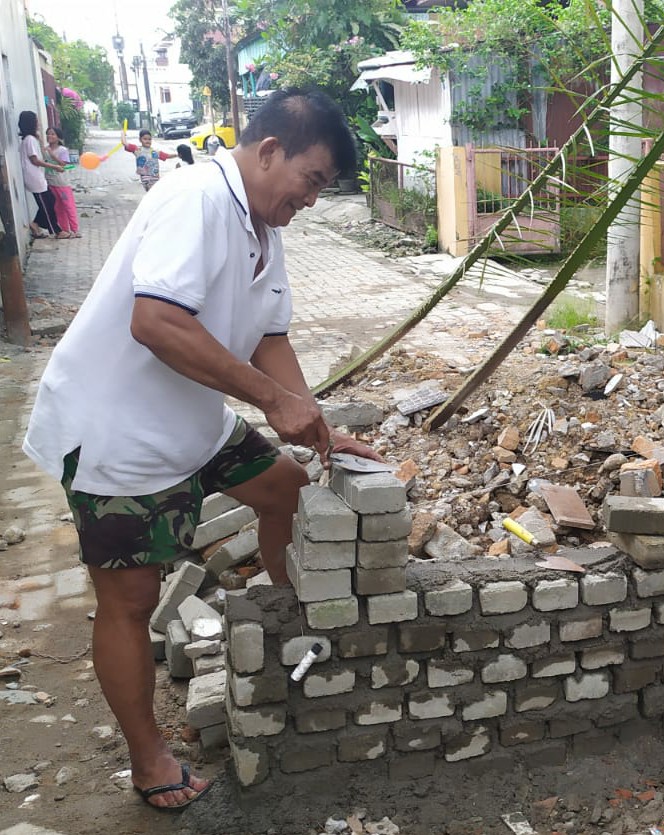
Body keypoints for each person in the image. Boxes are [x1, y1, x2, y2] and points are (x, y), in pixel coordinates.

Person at [22, 89, 373, 812]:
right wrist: (270, 402)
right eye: (311, 179)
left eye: (323, 188)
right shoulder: (196, 199)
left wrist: (313, 422)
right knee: (130, 599)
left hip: (189, 418)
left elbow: (269, 337)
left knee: (286, 486)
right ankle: (149, 759)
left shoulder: (263, 230)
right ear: (269, 149)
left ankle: (284, 617)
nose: (311, 198)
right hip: (115, 431)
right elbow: (157, 321)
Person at [19, 111, 66, 239]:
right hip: (34, 177)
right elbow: (35, 160)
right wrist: (54, 166)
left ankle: (36, 223)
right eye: (36, 120)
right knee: (46, 206)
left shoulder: (32, 139)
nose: (38, 123)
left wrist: (39, 139)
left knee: (50, 200)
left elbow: (39, 155)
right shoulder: (29, 140)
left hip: (38, 176)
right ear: (31, 123)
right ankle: (57, 231)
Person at [45, 126, 81, 238]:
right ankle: (64, 230)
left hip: (62, 183)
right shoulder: (45, 149)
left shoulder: (62, 150)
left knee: (68, 206)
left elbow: (64, 165)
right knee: (57, 208)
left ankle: (75, 230)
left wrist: (52, 156)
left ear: (58, 137)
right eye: (48, 134)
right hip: (50, 183)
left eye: (52, 134)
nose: (49, 136)